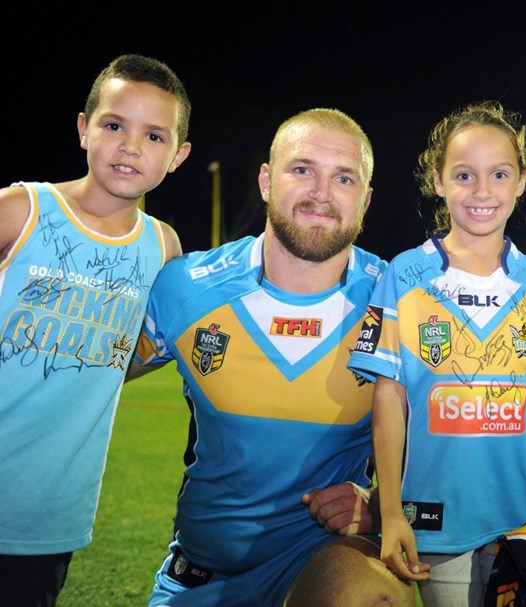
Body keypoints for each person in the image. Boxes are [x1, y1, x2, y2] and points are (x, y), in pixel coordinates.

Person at [128, 108, 414, 606]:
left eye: (343, 178)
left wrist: (384, 503)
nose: (321, 192)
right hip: (202, 574)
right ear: (266, 181)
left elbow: (460, 434)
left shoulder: (399, 301)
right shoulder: (186, 287)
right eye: (302, 169)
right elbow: (87, 376)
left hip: (322, 559)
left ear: (365, 199)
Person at [347, 101, 526, 606]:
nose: (482, 191)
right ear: (438, 181)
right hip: (432, 521)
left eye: (499, 174)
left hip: (522, 523)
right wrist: (389, 511)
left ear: (521, 181)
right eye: (464, 175)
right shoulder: (403, 275)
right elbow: (389, 398)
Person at [0, 54, 192, 606]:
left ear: (177, 156)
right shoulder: (20, 210)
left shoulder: (163, 248)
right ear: (84, 129)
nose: (130, 146)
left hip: (49, 512)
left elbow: (124, 356)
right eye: (113, 125)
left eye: (153, 136)